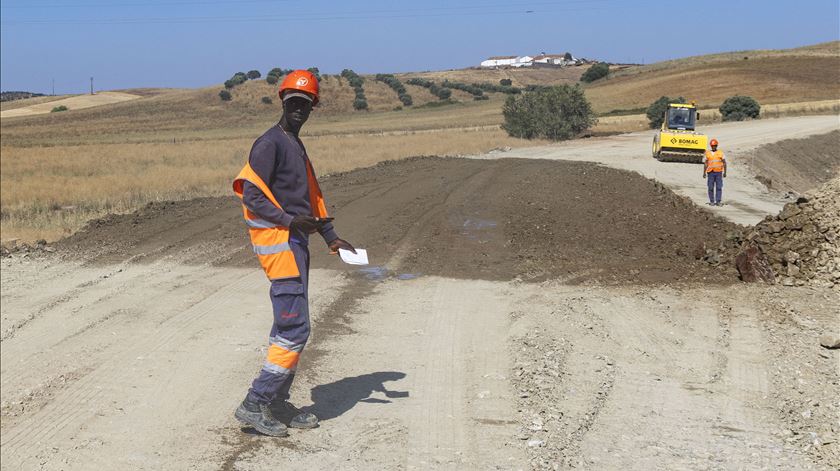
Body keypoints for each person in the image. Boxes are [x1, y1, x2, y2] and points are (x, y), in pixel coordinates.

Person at [231, 70, 356, 437]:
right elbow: (250, 194)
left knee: (290, 327)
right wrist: (289, 221)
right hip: (280, 246)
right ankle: (256, 401)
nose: (300, 108)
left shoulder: (295, 144)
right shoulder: (270, 143)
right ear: (283, 102)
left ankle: (277, 401)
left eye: (306, 103)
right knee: (295, 327)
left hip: (295, 244)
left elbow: (312, 199)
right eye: (294, 103)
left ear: (313, 107)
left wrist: (331, 237)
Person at [702, 138, 727, 206]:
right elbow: (706, 163)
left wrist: (725, 172)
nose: (713, 147)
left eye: (715, 145)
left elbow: (724, 163)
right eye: (712, 146)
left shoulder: (720, 153)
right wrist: (704, 173)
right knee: (710, 187)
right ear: (711, 146)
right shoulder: (707, 153)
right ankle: (712, 201)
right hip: (710, 173)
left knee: (719, 187)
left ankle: (718, 201)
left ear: (716, 146)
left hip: (718, 173)